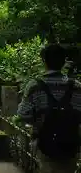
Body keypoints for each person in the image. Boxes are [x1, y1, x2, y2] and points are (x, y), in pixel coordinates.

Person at [17, 44, 81, 173]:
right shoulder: (76, 86)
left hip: (45, 145)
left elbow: (22, 114)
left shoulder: (35, 85)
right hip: (70, 146)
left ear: (44, 61)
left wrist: (38, 118)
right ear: (64, 62)